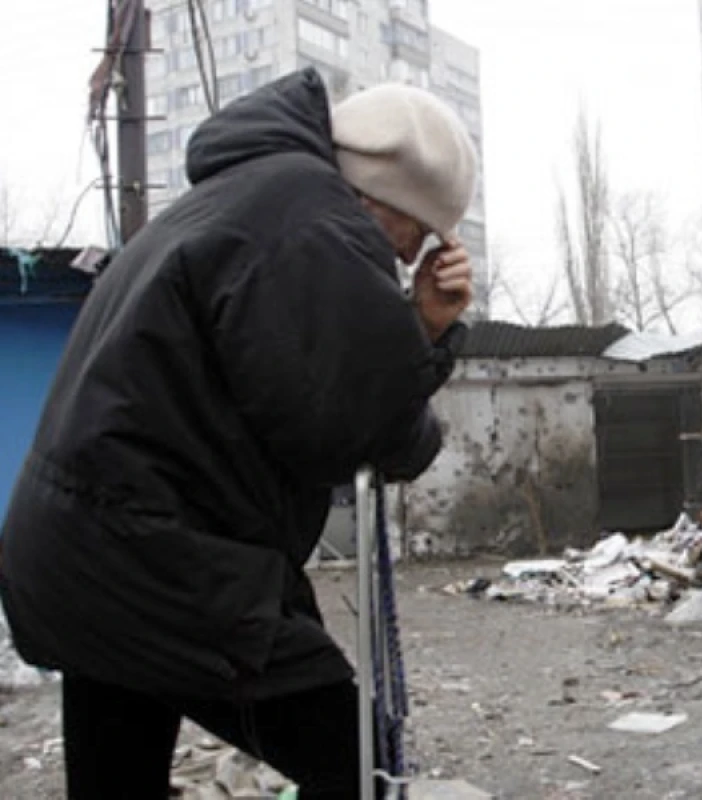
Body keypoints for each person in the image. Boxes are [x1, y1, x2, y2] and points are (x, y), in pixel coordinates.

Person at [0, 67, 477, 798]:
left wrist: (407, 335)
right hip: (160, 567)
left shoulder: (239, 198)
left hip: (79, 554)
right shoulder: (315, 222)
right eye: (415, 237)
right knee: (362, 764)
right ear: (388, 198)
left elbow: (299, 395)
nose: (408, 260)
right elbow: (358, 433)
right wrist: (423, 329)